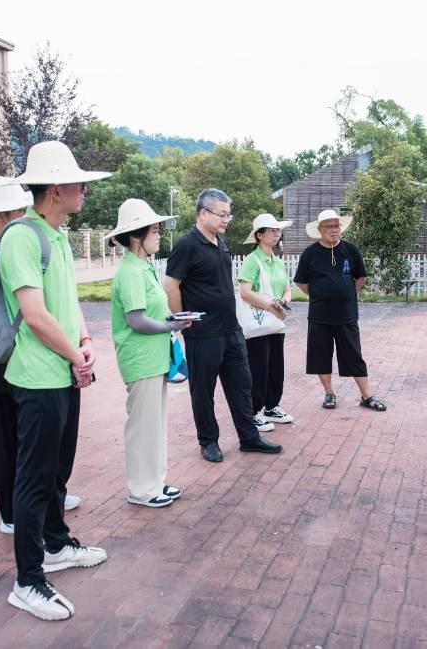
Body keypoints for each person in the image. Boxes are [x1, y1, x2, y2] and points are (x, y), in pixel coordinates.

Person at [0, 141, 110, 620]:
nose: (85, 189)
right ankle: (27, 580)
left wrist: (84, 339)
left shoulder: (58, 235)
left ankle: (55, 544)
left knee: (57, 472)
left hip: (64, 372)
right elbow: (35, 315)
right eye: (79, 182)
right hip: (40, 376)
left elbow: (67, 303)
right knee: (34, 479)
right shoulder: (22, 237)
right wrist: (76, 357)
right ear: (57, 188)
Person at [0, 177, 82, 535]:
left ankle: (39, 501)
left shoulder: (8, 242)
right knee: (5, 438)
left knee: (24, 440)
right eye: (16, 211)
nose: (23, 216)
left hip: (11, 353)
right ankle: (12, 511)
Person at [164, 188, 283, 463]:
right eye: (222, 214)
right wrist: (183, 318)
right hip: (202, 333)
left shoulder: (221, 241)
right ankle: (208, 441)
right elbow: (171, 285)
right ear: (203, 213)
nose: (226, 219)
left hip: (231, 329)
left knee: (241, 385)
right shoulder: (187, 245)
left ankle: (249, 437)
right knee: (203, 391)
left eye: (229, 214)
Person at [109, 199, 190, 507]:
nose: (159, 235)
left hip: (153, 359)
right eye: (154, 231)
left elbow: (152, 314)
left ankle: (154, 482)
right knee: (142, 426)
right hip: (140, 360)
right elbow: (137, 320)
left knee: (154, 425)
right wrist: (171, 327)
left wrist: (174, 322)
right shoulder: (130, 271)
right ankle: (141, 490)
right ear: (135, 236)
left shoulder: (143, 267)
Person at [294, 209, 386, 412]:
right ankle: (329, 393)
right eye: (329, 227)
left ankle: (366, 395)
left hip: (346, 315)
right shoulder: (310, 254)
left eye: (337, 226)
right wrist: (320, 294)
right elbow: (301, 282)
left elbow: (360, 277)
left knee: (354, 355)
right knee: (321, 356)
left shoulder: (351, 250)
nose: (335, 230)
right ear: (320, 230)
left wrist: (347, 294)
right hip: (320, 315)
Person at [238, 213, 295, 427]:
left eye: (277, 230)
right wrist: (270, 305)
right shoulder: (252, 261)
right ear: (259, 235)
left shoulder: (277, 262)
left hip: (276, 324)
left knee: (275, 369)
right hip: (259, 324)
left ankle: (271, 407)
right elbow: (244, 291)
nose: (276, 233)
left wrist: (283, 301)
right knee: (258, 369)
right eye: (271, 230)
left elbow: (287, 289)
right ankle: (253, 412)